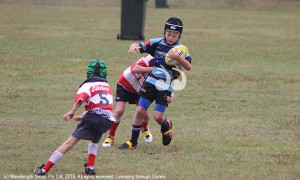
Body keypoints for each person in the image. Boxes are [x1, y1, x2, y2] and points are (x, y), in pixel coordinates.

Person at [118, 17, 192, 149]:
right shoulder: (157, 42)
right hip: (151, 81)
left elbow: (188, 67)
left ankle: (166, 125)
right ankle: (133, 142)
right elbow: (141, 45)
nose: (170, 37)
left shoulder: (181, 49)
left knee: (158, 117)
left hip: (166, 85)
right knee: (140, 110)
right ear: (164, 32)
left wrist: (177, 57)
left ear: (179, 36)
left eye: (174, 35)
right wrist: (133, 45)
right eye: (168, 34)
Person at [34, 59, 115, 175]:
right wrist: (83, 117)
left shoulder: (87, 85)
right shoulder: (107, 86)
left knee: (69, 143)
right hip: (107, 121)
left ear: (89, 72)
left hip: (93, 118)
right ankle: (90, 168)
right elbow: (101, 107)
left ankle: (44, 169)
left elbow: (82, 98)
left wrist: (72, 112)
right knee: (93, 141)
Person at [102, 54, 173, 147]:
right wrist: (153, 69)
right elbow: (135, 68)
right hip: (125, 84)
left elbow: (169, 83)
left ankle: (144, 129)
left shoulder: (168, 66)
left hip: (140, 89)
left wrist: (170, 95)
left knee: (145, 115)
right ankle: (110, 137)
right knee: (119, 111)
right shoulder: (151, 57)